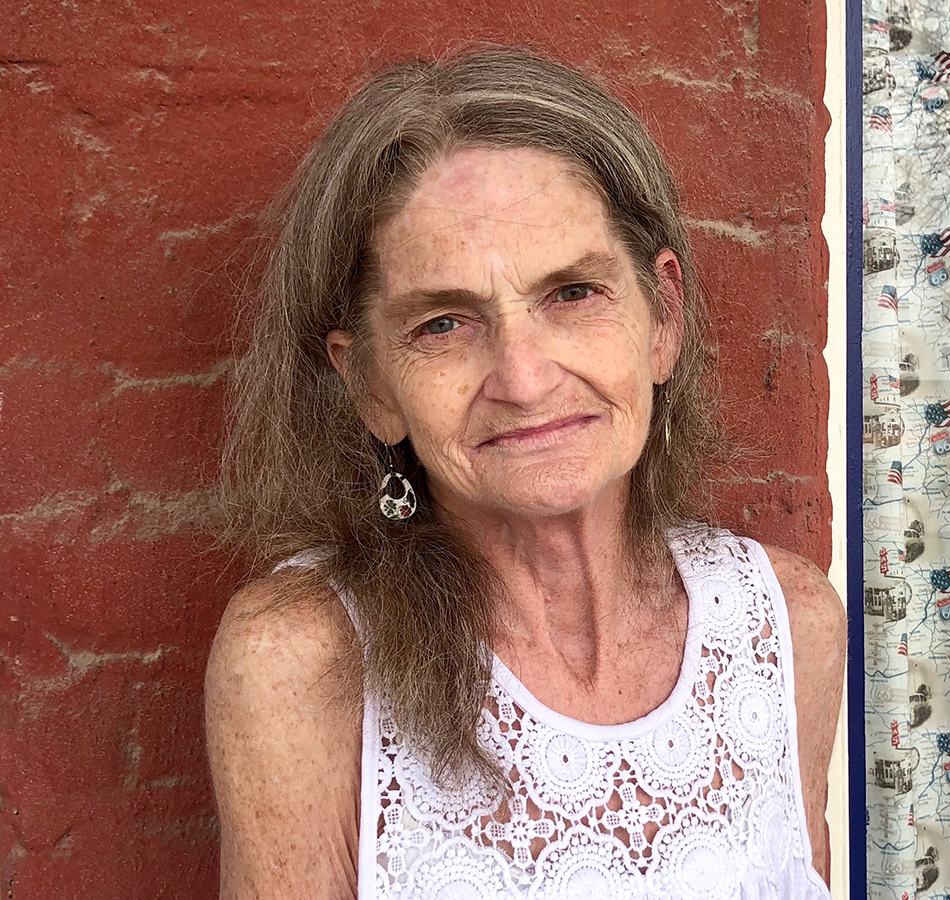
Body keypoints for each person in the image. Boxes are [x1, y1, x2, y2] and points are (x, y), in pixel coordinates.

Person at [205, 48, 846, 900]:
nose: (525, 379)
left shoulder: (788, 628)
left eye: (573, 294)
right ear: (371, 388)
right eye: (443, 324)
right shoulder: (304, 661)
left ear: (663, 319)